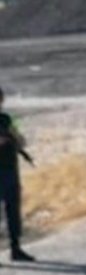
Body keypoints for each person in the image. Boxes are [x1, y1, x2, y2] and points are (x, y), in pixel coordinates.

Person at [0, 86, 35, 263]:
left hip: (10, 169)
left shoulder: (6, 119)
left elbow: (20, 139)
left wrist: (16, 140)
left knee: (13, 210)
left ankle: (16, 248)